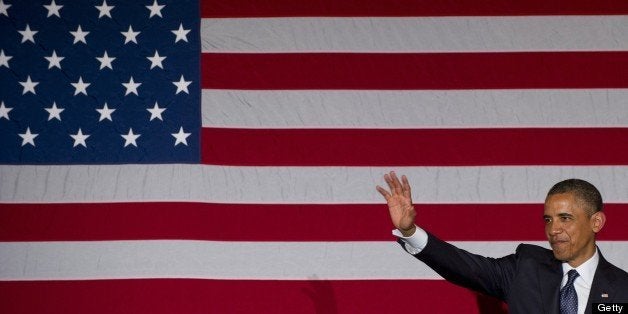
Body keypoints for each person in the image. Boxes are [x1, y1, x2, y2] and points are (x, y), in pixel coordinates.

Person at [376, 171, 628, 314]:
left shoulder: (623, 289)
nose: (554, 229)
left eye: (565, 218)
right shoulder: (525, 269)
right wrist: (409, 231)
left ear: (596, 222)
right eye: (548, 219)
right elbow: (464, 267)